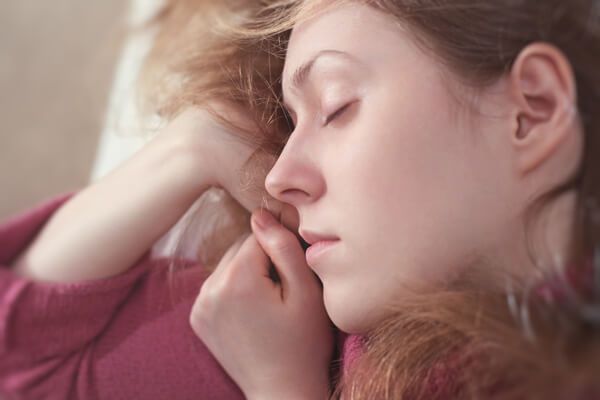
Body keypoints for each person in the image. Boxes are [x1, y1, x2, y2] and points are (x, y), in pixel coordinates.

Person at [1, 1, 600, 400]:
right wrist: (193, 145)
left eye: (336, 107)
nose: (280, 176)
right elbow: (20, 363)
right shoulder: (276, 303)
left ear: (532, 111)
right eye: (291, 122)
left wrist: (281, 386)